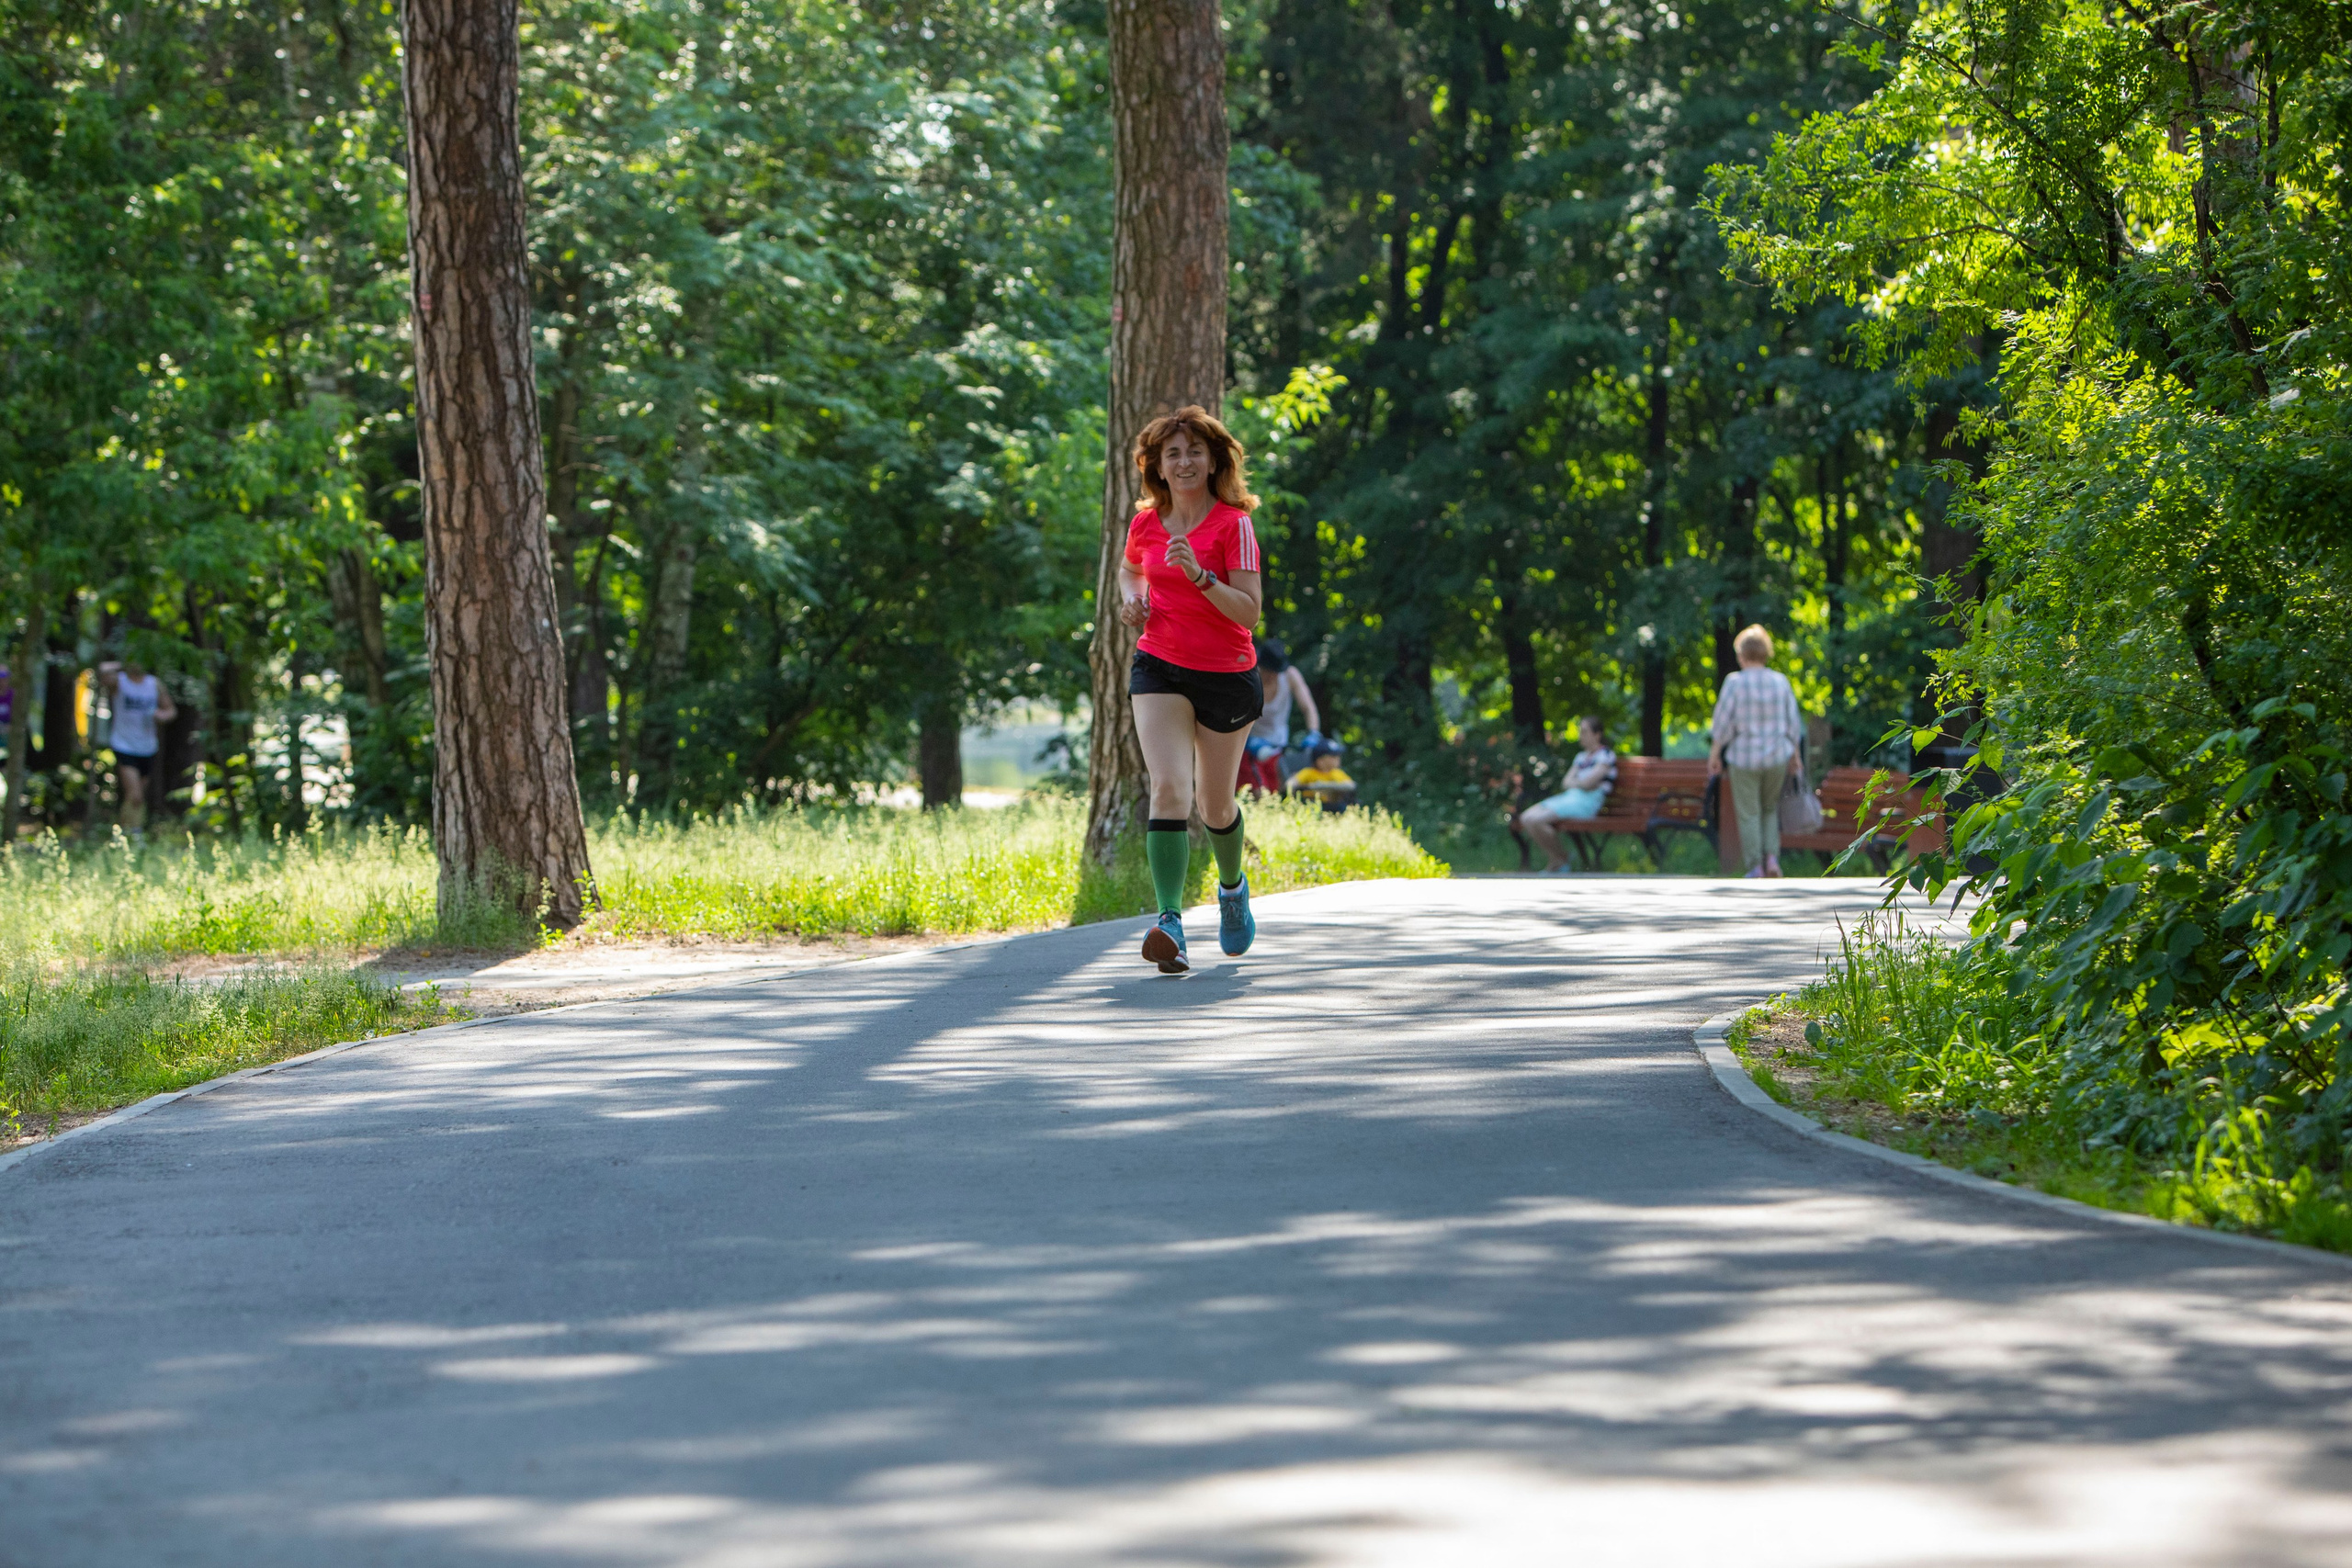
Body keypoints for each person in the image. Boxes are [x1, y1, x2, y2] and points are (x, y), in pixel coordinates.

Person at [1117, 405, 1267, 973]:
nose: (1183, 462)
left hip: (1226, 676)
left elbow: (1249, 614)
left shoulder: (1233, 526)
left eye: (1194, 452)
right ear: (1157, 465)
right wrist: (1134, 601)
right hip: (1159, 664)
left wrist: (1202, 578)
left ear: (1213, 461)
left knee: (1214, 802)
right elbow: (1132, 569)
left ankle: (1232, 890)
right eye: (1172, 453)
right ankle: (1170, 922)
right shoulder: (1146, 524)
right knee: (1169, 789)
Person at [1706, 624, 1804, 877]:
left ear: (1741, 655)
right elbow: (1792, 724)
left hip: (1743, 758)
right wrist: (1795, 756)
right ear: (1765, 653)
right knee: (1770, 807)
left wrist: (1715, 754)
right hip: (1776, 757)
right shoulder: (1780, 682)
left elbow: (1723, 723)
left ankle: (1755, 866)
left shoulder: (1735, 683)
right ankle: (1772, 859)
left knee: (1749, 812)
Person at [1510, 716, 1617, 874]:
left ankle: (1559, 860)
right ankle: (1559, 858)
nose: (1581, 736)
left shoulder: (1606, 755)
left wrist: (1579, 782)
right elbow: (1566, 782)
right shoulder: (1581, 757)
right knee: (1526, 818)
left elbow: (1587, 784)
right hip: (1571, 798)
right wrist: (1582, 783)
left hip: (1586, 803)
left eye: (1585, 732)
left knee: (1536, 820)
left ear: (1597, 734)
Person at [96, 658, 175, 834]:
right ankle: (136, 834)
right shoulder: (120, 682)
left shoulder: (154, 684)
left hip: (147, 747)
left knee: (133, 797)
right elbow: (102, 670)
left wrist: (161, 716)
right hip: (124, 744)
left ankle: (122, 832)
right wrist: (121, 664)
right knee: (137, 796)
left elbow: (171, 710)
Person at [1238, 636, 1320, 796]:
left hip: (1277, 746)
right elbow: (1235, 713)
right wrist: (1247, 741)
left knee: (1277, 792)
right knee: (1257, 794)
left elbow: (1308, 708)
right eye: (1269, 671)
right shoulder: (1248, 677)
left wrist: (1313, 733)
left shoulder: (1290, 676)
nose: (1273, 676)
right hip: (1249, 748)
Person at [1285, 738, 1355, 811]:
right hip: (1311, 805)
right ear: (1320, 760)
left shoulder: (1337, 773)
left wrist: (1326, 786)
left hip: (1334, 806)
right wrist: (1308, 786)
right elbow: (1290, 783)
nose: (1338, 759)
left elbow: (1351, 785)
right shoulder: (1308, 772)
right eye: (1333, 756)